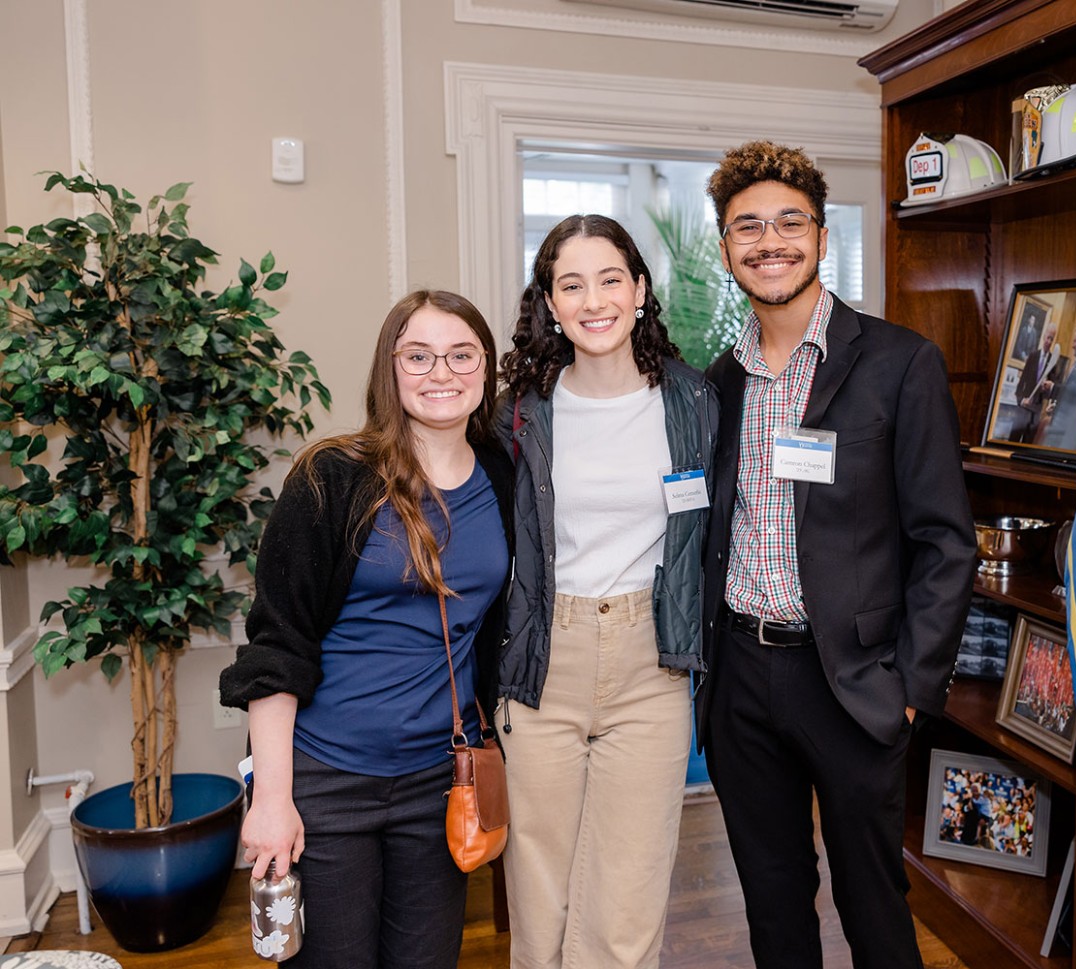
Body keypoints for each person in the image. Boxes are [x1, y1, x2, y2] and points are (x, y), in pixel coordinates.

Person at [698, 140, 975, 969]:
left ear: (821, 237)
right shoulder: (720, 381)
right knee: (773, 899)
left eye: (789, 222)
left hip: (854, 680)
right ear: (725, 248)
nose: (769, 241)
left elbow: (945, 542)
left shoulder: (899, 363)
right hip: (743, 673)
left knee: (871, 899)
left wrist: (911, 690)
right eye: (748, 227)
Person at [219, 290, 513, 969]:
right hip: (325, 780)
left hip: (439, 780)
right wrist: (272, 798)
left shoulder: (503, 474)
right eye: (419, 355)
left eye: (461, 353)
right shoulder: (333, 476)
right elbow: (276, 645)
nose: (442, 371)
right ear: (391, 368)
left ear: (485, 368)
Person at [496, 214, 717, 969]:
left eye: (611, 278)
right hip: (541, 658)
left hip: (649, 664)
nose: (594, 299)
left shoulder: (694, 401)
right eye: (571, 283)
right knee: (540, 894)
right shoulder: (519, 411)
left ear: (641, 290)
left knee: (628, 898)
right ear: (550, 304)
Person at [1038, 324, 1076, 451]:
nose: (1073, 345)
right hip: (1059, 427)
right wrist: (1056, 407)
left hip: (1065, 431)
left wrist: (1053, 388)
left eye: (1075, 341)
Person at [1012, 321, 1059, 442]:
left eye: (1051, 339)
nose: (1049, 341)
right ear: (1044, 336)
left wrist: (1047, 392)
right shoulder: (1032, 356)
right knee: (1013, 440)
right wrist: (1021, 400)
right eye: (1048, 338)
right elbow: (1021, 384)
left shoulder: (1052, 363)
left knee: (1027, 445)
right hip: (1023, 408)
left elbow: (1052, 391)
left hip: (1036, 412)